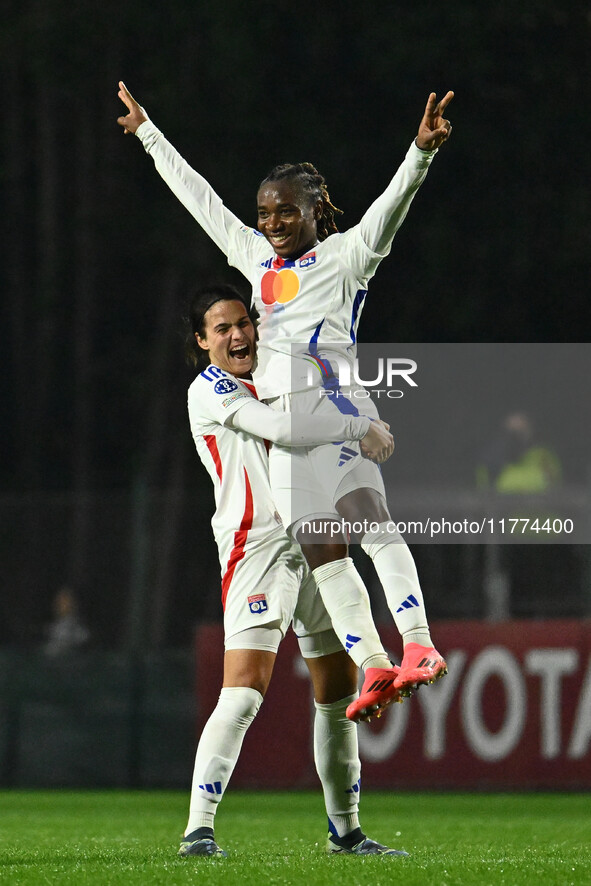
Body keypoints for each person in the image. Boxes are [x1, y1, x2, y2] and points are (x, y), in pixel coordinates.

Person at [117, 82, 451, 720]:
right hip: (289, 435)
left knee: (371, 525)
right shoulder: (254, 261)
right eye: (266, 213)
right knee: (328, 554)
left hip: (335, 417)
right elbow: (203, 203)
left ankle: (420, 645)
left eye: (285, 212)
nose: (271, 223)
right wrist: (148, 133)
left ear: (315, 209)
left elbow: (391, 206)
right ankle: (377, 665)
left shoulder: (348, 255)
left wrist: (420, 153)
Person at [180, 284, 407, 858]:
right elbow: (280, 430)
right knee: (244, 692)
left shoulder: (286, 375)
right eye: (221, 328)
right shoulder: (210, 388)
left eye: (242, 323)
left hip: (317, 538)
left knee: (335, 694)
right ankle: (198, 830)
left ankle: (346, 832)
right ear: (202, 342)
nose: (236, 335)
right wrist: (358, 427)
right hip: (256, 549)